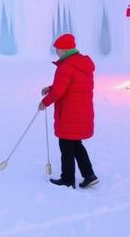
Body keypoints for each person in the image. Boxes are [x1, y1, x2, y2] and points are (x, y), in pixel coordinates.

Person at [39, 33, 99, 190]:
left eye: (58, 50)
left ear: (65, 50)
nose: (57, 53)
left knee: (66, 146)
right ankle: (89, 175)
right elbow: (69, 85)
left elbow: (59, 92)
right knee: (76, 144)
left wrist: (44, 103)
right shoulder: (82, 64)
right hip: (82, 112)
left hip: (68, 113)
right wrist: (50, 88)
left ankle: (67, 179)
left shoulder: (66, 66)